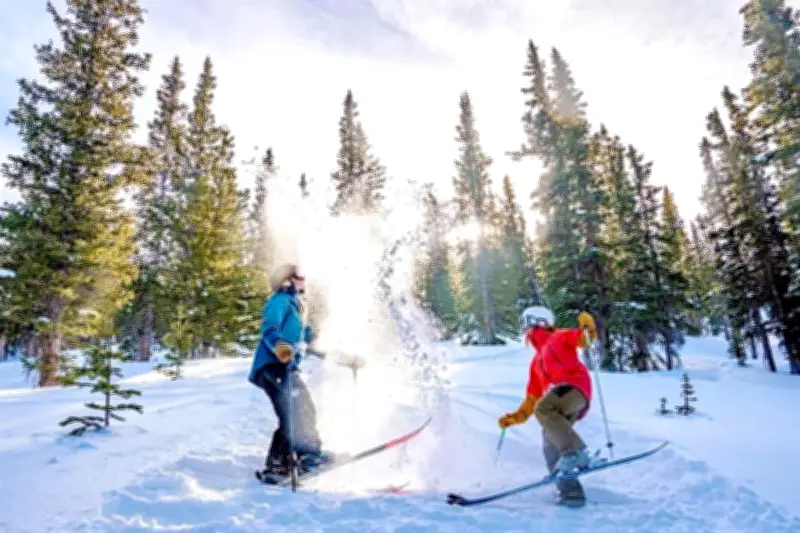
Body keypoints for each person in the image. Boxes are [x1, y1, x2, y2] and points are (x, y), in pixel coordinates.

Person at [497, 306, 597, 506]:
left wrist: (589, 327)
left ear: (538, 321)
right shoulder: (536, 363)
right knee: (549, 443)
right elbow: (532, 400)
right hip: (558, 403)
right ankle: (571, 493)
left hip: (573, 388)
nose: (525, 330)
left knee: (544, 409)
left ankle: (577, 452)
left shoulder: (560, 337)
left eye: (526, 323)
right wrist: (514, 418)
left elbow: (583, 340)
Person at [248, 264, 334, 478]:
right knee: (297, 411)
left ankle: (281, 465)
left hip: (285, 367)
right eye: (300, 276)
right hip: (273, 365)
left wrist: (343, 358)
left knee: (297, 412)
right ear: (288, 280)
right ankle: (307, 456)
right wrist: (280, 347)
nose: (305, 280)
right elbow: (269, 328)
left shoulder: (297, 307)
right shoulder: (279, 301)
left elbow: (311, 342)